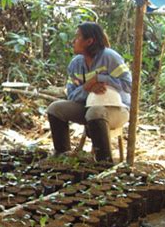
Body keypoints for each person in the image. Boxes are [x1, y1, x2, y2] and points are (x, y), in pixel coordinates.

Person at [46, 22, 132, 163]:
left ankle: (103, 163)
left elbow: (129, 86)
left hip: (117, 109)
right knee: (55, 108)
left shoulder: (110, 57)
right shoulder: (76, 64)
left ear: (89, 41)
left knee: (95, 113)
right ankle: (62, 155)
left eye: (78, 37)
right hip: (86, 107)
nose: (74, 41)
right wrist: (87, 87)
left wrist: (101, 79)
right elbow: (72, 95)